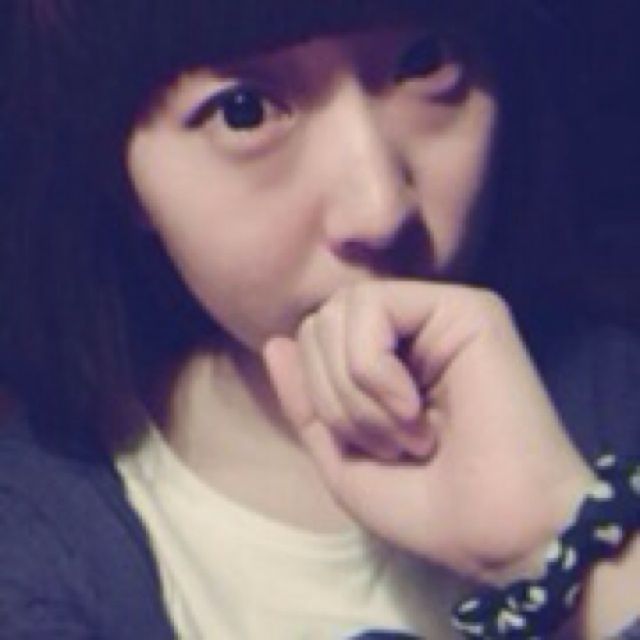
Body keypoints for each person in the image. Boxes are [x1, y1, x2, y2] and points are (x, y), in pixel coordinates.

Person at [0, 0, 638, 638]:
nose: (380, 211)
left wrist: (560, 539)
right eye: (243, 111)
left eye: (424, 62)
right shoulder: (36, 553)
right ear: (120, 174)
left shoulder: (617, 393)